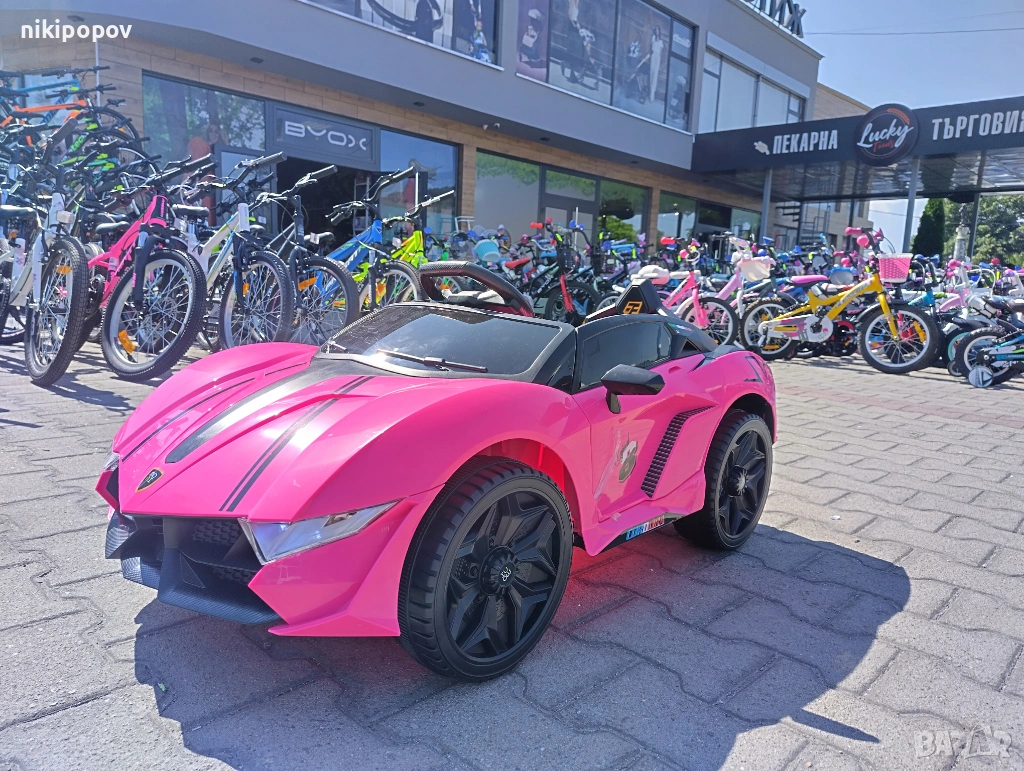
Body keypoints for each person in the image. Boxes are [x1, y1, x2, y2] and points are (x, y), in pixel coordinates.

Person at [648, 26, 664, 103]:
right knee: (651, 73)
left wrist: (659, 60)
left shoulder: (661, 41)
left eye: (658, 30)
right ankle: (650, 92)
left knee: (655, 75)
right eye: (656, 30)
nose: (657, 31)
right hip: (653, 55)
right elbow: (652, 47)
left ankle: (652, 94)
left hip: (657, 57)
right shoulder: (653, 38)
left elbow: (660, 51)